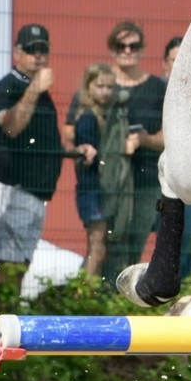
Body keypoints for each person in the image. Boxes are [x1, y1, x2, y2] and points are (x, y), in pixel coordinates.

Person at [0, 22, 64, 280]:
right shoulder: (8, 86)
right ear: (17, 53)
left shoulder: (40, 92)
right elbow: (10, 127)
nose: (38, 56)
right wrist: (33, 89)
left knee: (21, 266)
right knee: (8, 264)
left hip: (34, 191)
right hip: (13, 187)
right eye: (32, 50)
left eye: (43, 49)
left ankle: (9, 314)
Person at [104, 22, 166, 281]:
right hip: (108, 180)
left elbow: (169, 136)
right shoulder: (101, 84)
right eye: (121, 46)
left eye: (133, 46)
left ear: (141, 50)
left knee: (135, 239)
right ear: (112, 49)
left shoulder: (157, 88)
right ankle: (103, 299)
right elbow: (73, 128)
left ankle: (124, 298)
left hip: (146, 176)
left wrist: (145, 139)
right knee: (107, 240)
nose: (127, 51)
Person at [70, 61, 119, 279]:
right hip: (92, 190)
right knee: (97, 249)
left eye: (109, 87)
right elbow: (85, 150)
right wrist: (87, 150)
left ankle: (85, 292)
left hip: (98, 190)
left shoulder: (104, 114)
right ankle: (81, 296)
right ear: (89, 86)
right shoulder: (88, 116)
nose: (105, 92)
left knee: (98, 248)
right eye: (100, 86)